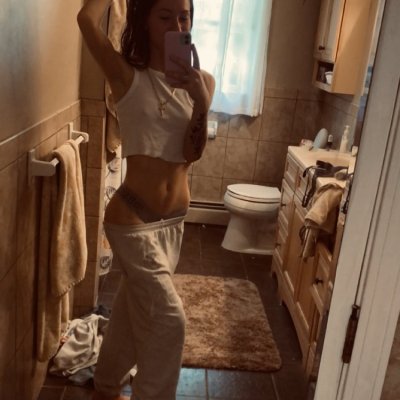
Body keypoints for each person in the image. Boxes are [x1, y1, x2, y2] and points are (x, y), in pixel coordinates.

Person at [77, 0, 215, 399]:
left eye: (184, 16)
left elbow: (191, 153)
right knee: (169, 321)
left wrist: (201, 102)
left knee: (131, 310)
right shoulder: (127, 76)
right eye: (165, 16)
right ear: (144, 20)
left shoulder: (203, 81)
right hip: (132, 220)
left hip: (172, 227)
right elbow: (86, 20)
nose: (177, 25)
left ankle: (106, 384)